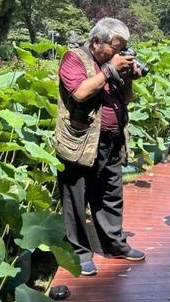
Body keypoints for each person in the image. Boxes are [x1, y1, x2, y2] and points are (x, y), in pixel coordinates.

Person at [54, 17, 145, 276]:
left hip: (111, 140)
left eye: (123, 49)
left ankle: (115, 245)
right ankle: (80, 253)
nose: (120, 54)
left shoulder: (111, 63)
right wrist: (109, 70)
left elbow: (125, 97)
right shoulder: (74, 58)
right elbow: (80, 93)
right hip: (80, 141)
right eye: (116, 48)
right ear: (97, 41)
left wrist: (126, 76)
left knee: (110, 194)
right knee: (76, 198)